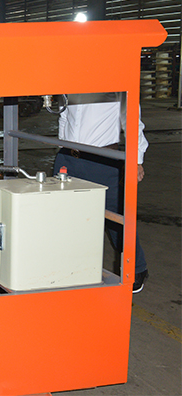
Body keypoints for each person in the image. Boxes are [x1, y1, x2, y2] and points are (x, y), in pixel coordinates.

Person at [53, 92, 149, 293]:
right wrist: (62, 146)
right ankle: (71, 266)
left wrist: (136, 159)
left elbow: (131, 119)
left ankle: (137, 268)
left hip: (102, 158)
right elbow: (64, 115)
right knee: (65, 214)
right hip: (69, 157)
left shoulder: (113, 83)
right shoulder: (70, 84)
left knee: (115, 217)